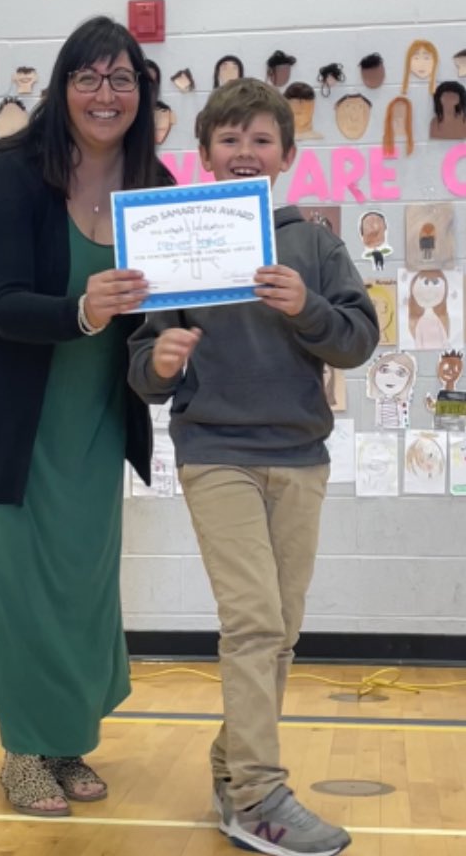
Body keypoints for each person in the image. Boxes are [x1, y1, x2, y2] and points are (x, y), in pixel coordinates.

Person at [0, 15, 173, 818]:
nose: (106, 94)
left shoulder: (157, 188)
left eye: (122, 78)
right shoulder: (8, 176)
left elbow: (167, 311)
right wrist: (84, 310)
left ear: (142, 92)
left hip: (91, 414)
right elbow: (0, 306)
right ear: (62, 89)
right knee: (16, 592)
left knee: (79, 585)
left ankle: (63, 740)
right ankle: (22, 751)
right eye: (88, 78)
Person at [128, 77, 378, 856]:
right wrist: (160, 361)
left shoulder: (310, 240)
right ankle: (260, 797)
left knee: (281, 633)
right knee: (253, 622)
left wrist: (304, 304)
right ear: (203, 154)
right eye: (228, 139)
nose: (244, 151)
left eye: (259, 140)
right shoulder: (171, 238)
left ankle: (230, 767)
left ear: (285, 155)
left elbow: (356, 340)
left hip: (299, 456)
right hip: (216, 455)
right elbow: (139, 365)